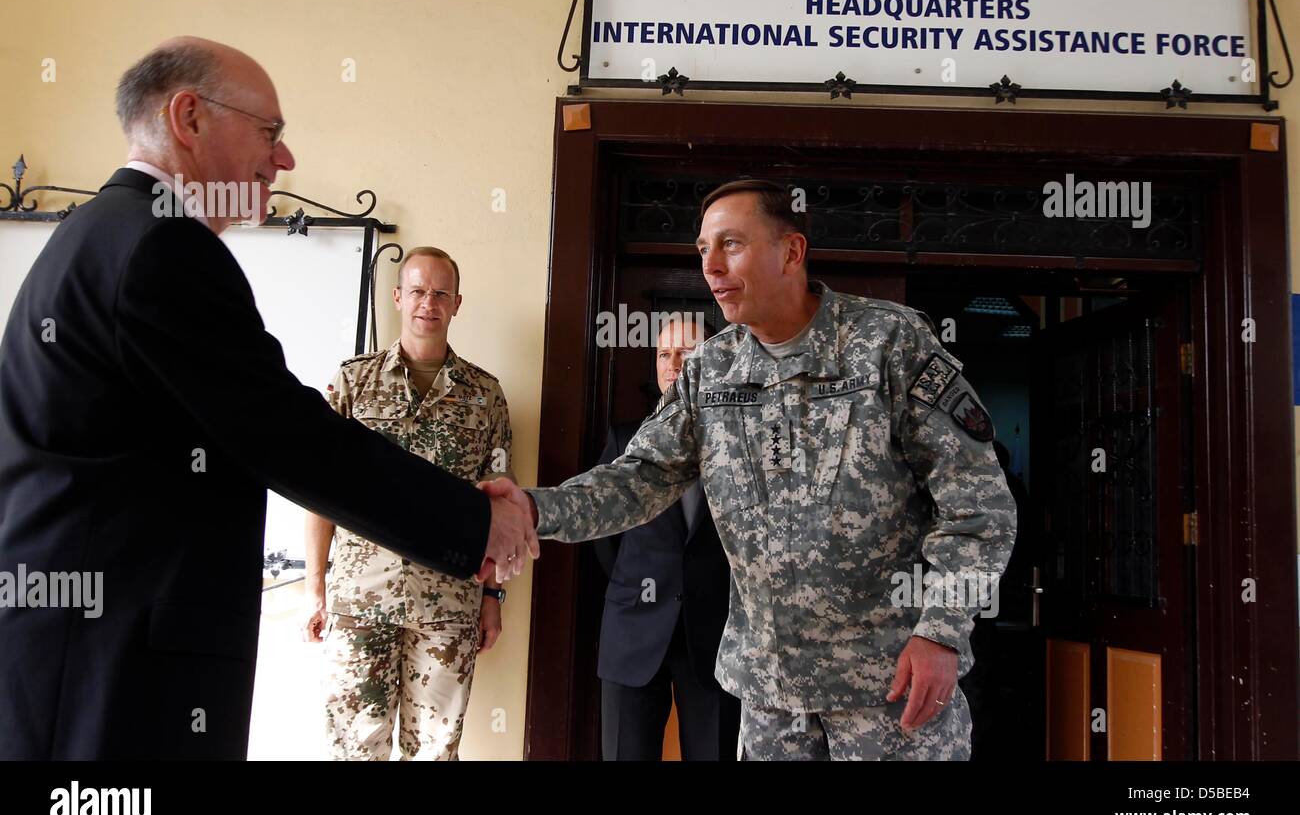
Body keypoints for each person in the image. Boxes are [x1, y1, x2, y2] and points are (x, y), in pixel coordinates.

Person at [0, 38, 536, 760]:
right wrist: (477, 523)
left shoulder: (103, 232)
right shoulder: (161, 247)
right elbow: (292, 437)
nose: (284, 161)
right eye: (270, 133)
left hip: (86, 654)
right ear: (188, 117)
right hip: (112, 675)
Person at [485, 179, 1015, 760]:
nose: (711, 266)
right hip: (768, 698)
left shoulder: (888, 342)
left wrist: (940, 633)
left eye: (731, 244)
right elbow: (638, 478)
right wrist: (534, 509)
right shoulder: (710, 369)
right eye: (703, 249)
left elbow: (978, 508)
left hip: (889, 689)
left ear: (792, 251)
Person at [302, 247, 512, 760]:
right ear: (398, 296)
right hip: (359, 600)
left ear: (457, 303)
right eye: (418, 290)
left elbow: (499, 511)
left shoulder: (485, 395)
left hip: (448, 603)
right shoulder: (354, 382)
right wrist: (315, 588)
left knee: (436, 751)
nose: (428, 303)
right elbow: (318, 491)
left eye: (441, 293)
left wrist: (492, 599)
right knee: (355, 748)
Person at [594, 315, 740, 761]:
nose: (673, 363)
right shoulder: (624, 441)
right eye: (664, 354)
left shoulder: (738, 444)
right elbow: (604, 539)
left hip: (713, 636)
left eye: (686, 352)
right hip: (633, 631)